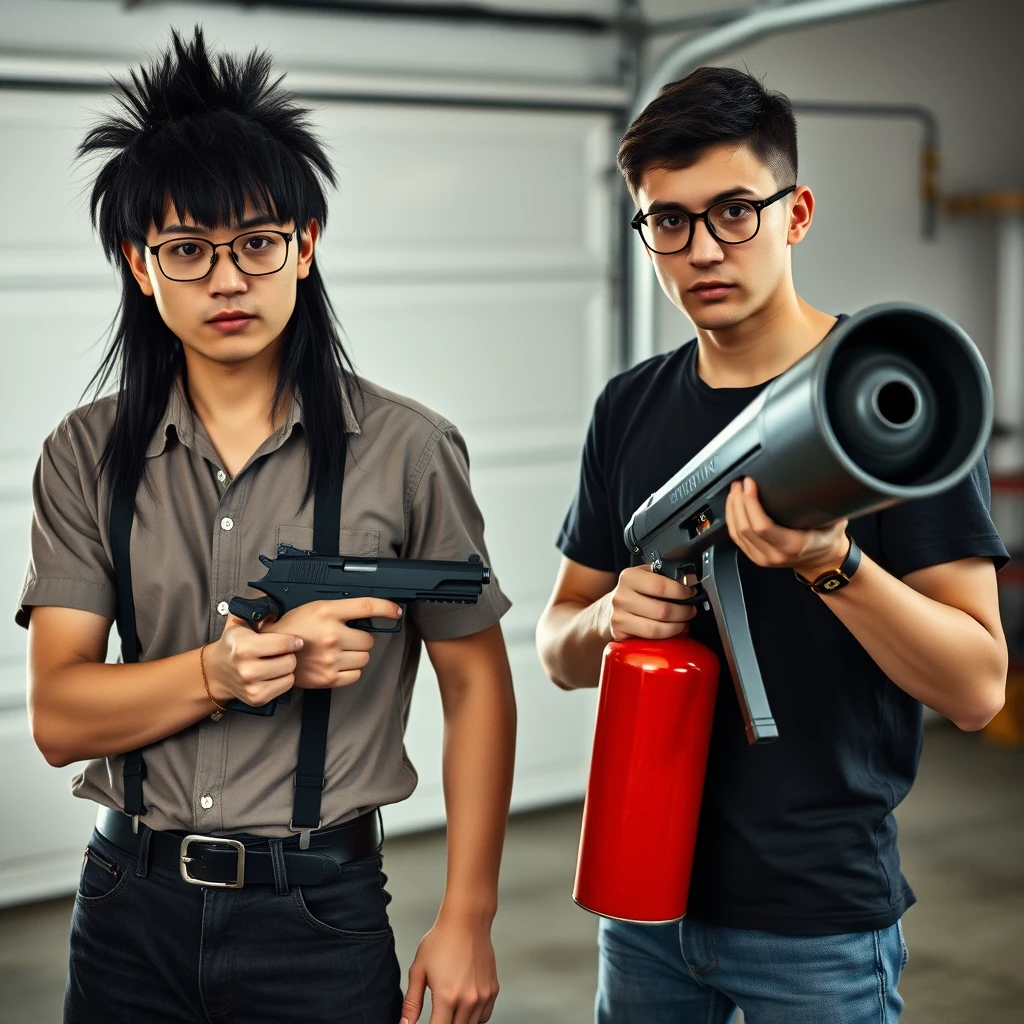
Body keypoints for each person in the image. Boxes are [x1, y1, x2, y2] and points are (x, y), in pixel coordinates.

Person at [19, 28, 515, 1024]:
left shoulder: (408, 449)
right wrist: (221, 671)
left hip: (318, 914)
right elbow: (60, 718)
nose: (228, 279)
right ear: (138, 262)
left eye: (256, 242)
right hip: (126, 909)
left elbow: (476, 682)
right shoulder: (83, 452)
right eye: (186, 250)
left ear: (306, 242)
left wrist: (467, 912)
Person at [536, 66, 1008, 1024]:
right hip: (642, 906)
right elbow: (554, 647)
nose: (703, 248)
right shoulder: (627, 408)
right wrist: (605, 622)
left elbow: (978, 687)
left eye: (735, 211)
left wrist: (829, 564)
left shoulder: (889, 399)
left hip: (819, 921)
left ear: (796, 214)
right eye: (668, 222)